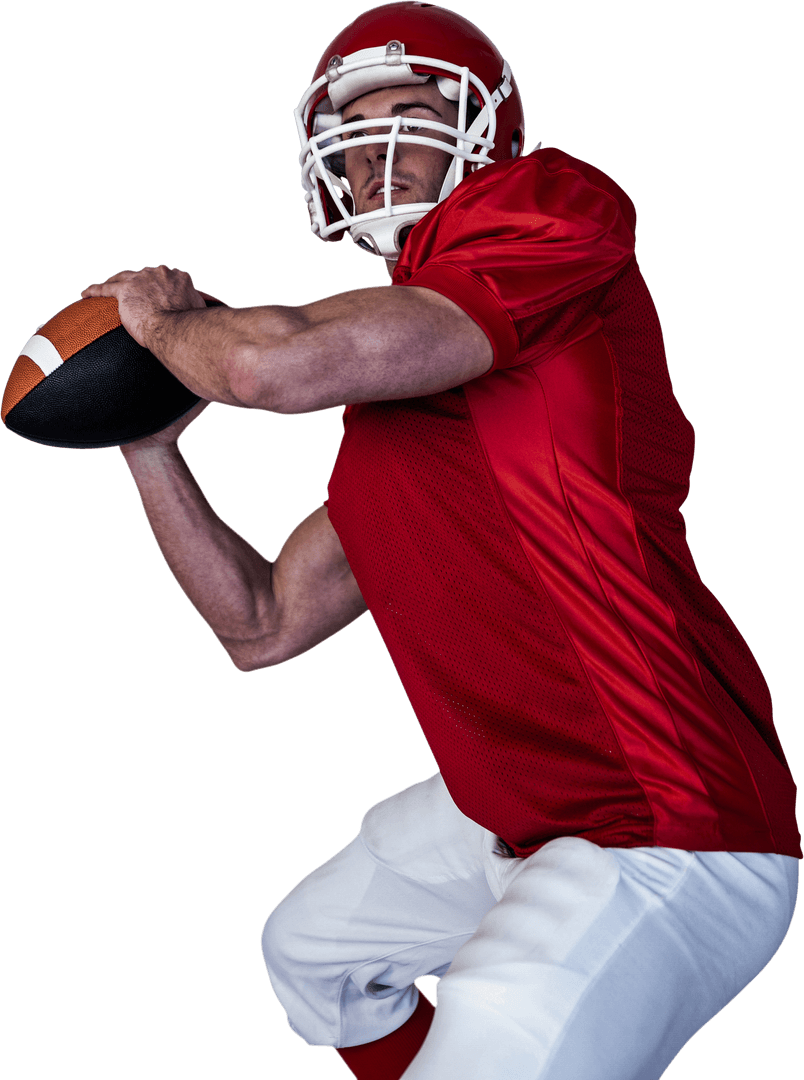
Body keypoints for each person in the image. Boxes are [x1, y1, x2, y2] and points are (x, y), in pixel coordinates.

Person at [81, 4, 800, 1078]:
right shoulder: (394, 414)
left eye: (410, 111)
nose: (376, 146)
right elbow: (262, 625)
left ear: (486, 127)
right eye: (354, 121)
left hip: (666, 824)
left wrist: (161, 325)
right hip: (518, 812)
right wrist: (147, 446)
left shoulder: (548, 208)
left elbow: (274, 368)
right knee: (312, 957)